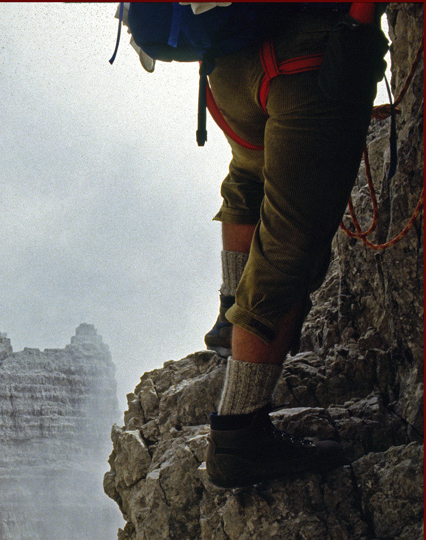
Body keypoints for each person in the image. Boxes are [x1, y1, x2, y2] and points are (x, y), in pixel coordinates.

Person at [124, 2, 388, 487]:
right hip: (310, 61)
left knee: (248, 178)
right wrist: (364, 22)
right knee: (288, 249)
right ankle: (240, 436)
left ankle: (230, 318)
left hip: (230, 69)